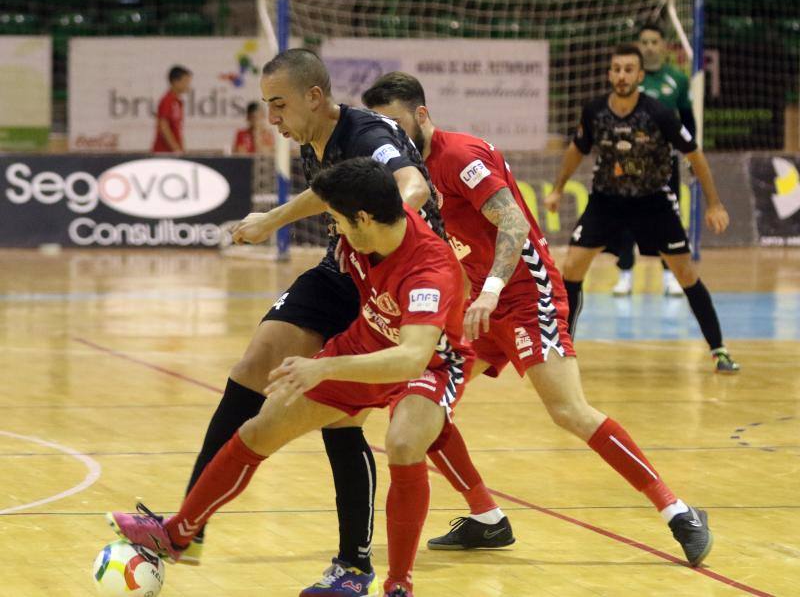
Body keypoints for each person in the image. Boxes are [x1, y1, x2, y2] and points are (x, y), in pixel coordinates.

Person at [170, 49, 505, 597]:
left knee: (352, 422)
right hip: (344, 263)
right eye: (266, 106)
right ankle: (187, 523)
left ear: (314, 97)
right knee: (255, 364)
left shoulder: (368, 135)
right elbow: (326, 192)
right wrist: (274, 220)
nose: (271, 117)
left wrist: (384, 233)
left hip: (392, 271)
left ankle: (358, 564)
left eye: (278, 105)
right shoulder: (312, 140)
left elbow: (412, 186)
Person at [362, 70, 714, 566]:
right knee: (414, 405)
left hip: (526, 295)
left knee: (568, 411)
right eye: (382, 130)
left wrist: (489, 290)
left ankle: (677, 511)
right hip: (476, 303)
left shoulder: (460, 156)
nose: (391, 139)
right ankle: (486, 518)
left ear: (422, 115)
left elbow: (513, 221)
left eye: (397, 125)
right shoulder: (406, 174)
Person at [109, 157, 475, 597]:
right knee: (259, 429)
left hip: (432, 362)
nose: (334, 229)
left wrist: (325, 365)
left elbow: (412, 358)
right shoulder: (363, 236)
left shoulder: (428, 269)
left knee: (403, 442)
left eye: (338, 220)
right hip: (365, 342)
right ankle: (179, 533)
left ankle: (398, 585)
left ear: (362, 217)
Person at [544, 44, 739, 374]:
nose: (622, 75)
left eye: (628, 70)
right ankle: (564, 347)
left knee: (686, 274)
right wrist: (559, 188)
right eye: (617, 69)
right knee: (572, 266)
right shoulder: (594, 111)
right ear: (610, 74)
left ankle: (719, 349)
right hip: (606, 202)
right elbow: (577, 150)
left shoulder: (659, 114)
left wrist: (714, 204)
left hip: (653, 203)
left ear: (639, 75)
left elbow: (695, 156)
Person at [609, 23, 696, 297]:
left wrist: (691, 155)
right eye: (643, 42)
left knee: (668, 217)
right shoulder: (629, 78)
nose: (648, 46)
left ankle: (670, 276)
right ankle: (625, 276)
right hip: (629, 161)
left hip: (664, 164)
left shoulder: (678, 80)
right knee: (624, 217)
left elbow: (688, 122)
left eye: (653, 41)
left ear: (663, 45)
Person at [152, 65, 192, 153]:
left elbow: (177, 129)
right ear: (175, 81)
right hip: (164, 152)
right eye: (185, 81)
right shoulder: (167, 100)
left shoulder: (178, 102)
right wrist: (176, 149)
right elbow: (164, 126)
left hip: (174, 152)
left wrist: (181, 148)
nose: (188, 85)